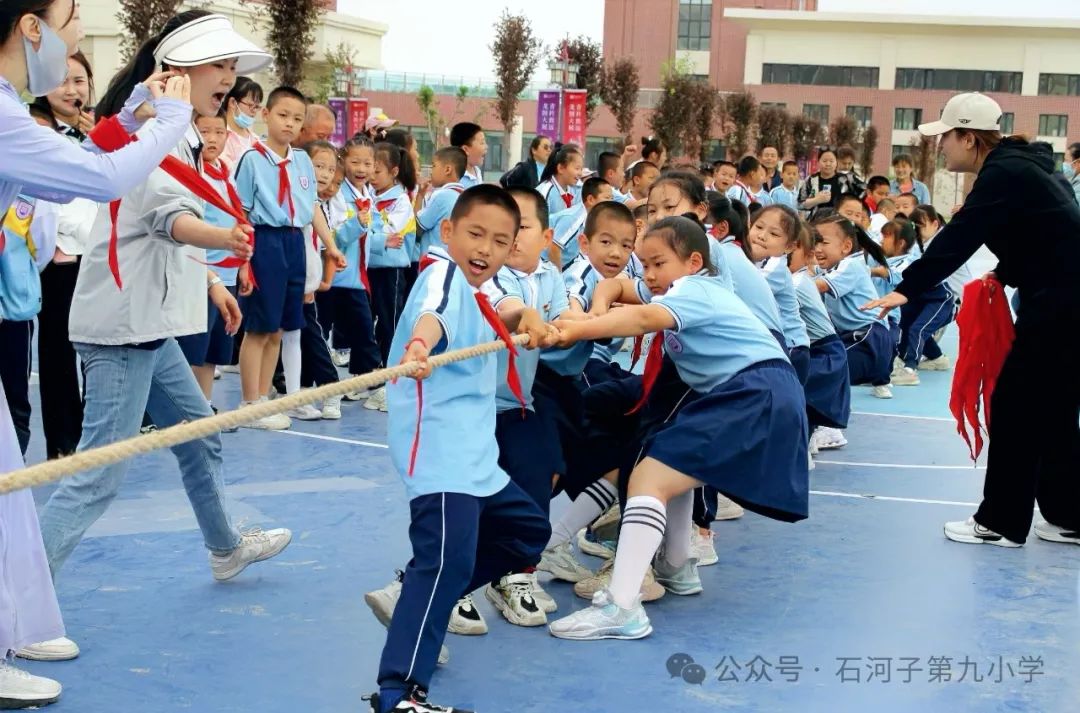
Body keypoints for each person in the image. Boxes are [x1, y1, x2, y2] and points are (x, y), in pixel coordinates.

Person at [38, 0, 294, 637]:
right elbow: (165, 218)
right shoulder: (153, 124)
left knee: (198, 435)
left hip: (148, 325)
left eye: (234, 65)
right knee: (96, 475)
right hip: (124, 328)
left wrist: (210, 281)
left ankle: (226, 546)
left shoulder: (172, 125)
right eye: (221, 64)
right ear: (181, 66)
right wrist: (224, 241)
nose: (230, 77)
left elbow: (156, 226)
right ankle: (20, 603)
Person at [547, 216, 809, 641]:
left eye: (658, 264)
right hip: (756, 391)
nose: (649, 275)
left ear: (692, 262)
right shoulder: (681, 287)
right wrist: (594, 307)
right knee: (671, 463)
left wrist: (573, 330)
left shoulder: (695, 289)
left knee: (648, 476)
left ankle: (622, 607)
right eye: (644, 265)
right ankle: (678, 564)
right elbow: (621, 292)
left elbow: (640, 318)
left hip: (753, 391)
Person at [363, 185, 551, 713]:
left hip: (476, 459)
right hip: (441, 452)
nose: (485, 249)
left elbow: (501, 307)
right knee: (443, 562)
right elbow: (435, 315)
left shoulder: (480, 291)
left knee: (526, 532)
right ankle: (398, 693)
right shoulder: (442, 274)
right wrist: (420, 345)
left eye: (499, 241)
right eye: (475, 234)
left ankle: (420, 597)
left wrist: (528, 317)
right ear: (448, 232)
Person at [865, 92, 1080, 548]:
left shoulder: (1004, 172)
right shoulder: (1025, 167)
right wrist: (1007, 273)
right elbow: (1046, 232)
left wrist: (907, 289)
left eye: (946, 137)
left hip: (1062, 301)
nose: (941, 146)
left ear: (969, 137)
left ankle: (1000, 521)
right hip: (1063, 297)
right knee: (1055, 409)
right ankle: (1067, 515)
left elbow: (960, 237)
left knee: (1017, 406)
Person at [234, 86, 343, 429]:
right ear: (266, 115)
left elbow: (312, 208)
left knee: (281, 328)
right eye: (283, 115)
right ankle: (249, 402)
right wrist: (243, 262)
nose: (290, 124)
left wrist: (332, 245)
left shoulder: (301, 162)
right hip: (265, 241)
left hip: (295, 243)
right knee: (258, 327)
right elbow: (241, 213)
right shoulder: (252, 159)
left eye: (297, 119)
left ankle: (264, 399)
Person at [30, 51, 97, 459]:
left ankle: (97, 435)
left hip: (96, 257)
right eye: (62, 80)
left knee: (99, 350)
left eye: (80, 80)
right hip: (57, 259)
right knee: (57, 353)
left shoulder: (99, 133)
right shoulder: (34, 132)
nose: (73, 90)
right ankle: (63, 444)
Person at [549, 176, 612, 268]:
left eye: (612, 198)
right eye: (607, 198)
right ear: (590, 199)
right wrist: (558, 279)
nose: (611, 203)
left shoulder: (595, 219)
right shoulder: (572, 218)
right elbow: (554, 248)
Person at [221, 75, 262, 167]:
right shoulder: (219, 135)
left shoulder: (257, 140)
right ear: (232, 103)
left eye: (257, 107)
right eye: (251, 105)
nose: (254, 111)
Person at [538, 144, 583, 217]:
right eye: (577, 168)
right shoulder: (544, 192)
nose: (580, 173)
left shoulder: (575, 190)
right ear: (561, 168)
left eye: (581, 169)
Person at [449, 121, 486, 187]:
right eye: (482, 143)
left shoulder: (477, 171)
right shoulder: (453, 179)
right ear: (465, 149)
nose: (486, 147)